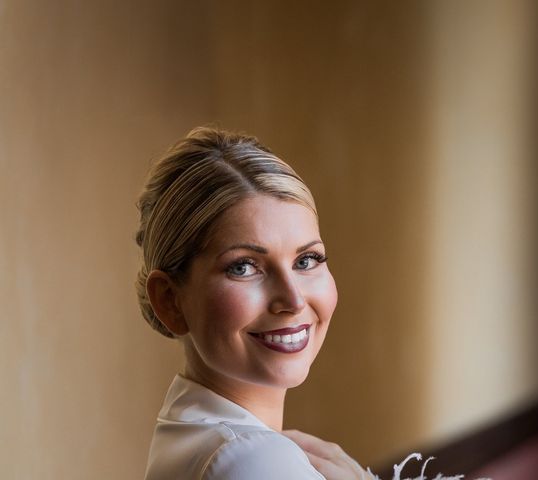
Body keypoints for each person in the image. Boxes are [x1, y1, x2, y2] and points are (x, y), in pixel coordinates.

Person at [136, 126, 372, 480]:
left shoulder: (187, 429)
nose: (292, 300)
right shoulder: (252, 461)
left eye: (306, 260)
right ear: (171, 300)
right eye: (244, 267)